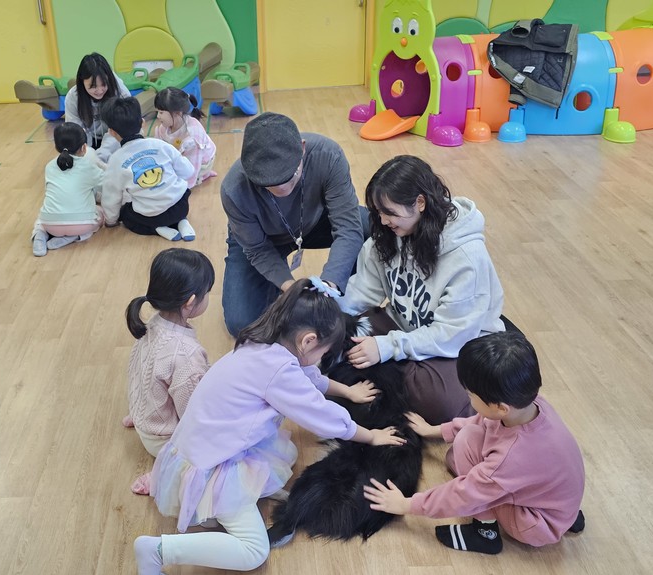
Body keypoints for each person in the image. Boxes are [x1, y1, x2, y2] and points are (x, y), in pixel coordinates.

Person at [133, 278, 405, 574]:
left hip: (200, 443)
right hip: (212, 462)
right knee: (254, 551)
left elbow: (309, 377)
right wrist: (370, 436)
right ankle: (158, 550)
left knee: (284, 453)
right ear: (308, 341)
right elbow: (322, 414)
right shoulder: (279, 371)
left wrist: (348, 391)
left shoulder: (264, 342)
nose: (322, 359)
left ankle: (215, 509)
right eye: (324, 352)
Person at [363, 331, 586, 555]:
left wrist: (406, 504)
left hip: (533, 524)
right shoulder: (532, 404)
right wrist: (433, 430)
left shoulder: (511, 458)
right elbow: (483, 420)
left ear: (501, 407)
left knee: (467, 455)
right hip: (558, 500)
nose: (468, 398)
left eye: (470, 395)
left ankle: (485, 533)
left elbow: (464, 494)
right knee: (467, 441)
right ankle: (565, 516)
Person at [338, 155, 505, 424]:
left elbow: (452, 335)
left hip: (458, 344)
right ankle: (397, 375)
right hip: (403, 328)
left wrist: (387, 347)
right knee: (346, 334)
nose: (383, 221)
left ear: (420, 203)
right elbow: (360, 295)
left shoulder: (467, 258)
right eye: (378, 212)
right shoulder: (388, 236)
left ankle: (393, 376)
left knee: (440, 403)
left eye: (390, 213)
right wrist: (328, 320)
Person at [220, 112, 369, 337]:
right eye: (268, 183)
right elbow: (257, 249)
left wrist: (330, 284)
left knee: (373, 225)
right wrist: (289, 288)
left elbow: (348, 227)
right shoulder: (234, 189)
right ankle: (274, 289)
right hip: (263, 237)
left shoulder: (328, 155)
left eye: (289, 176)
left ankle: (348, 290)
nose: (281, 189)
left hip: (315, 221)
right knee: (241, 322)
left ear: (302, 149)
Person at [124, 248, 214, 459]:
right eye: (208, 292)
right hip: (165, 442)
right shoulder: (185, 354)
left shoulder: (154, 323)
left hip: (145, 421)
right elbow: (193, 416)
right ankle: (164, 472)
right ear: (190, 302)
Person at [100, 97, 195, 241]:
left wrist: (111, 221)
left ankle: (157, 229)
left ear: (112, 132)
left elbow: (111, 197)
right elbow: (188, 171)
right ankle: (182, 221)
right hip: (181, 205)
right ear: (142, 123)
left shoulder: (115, 160)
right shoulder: (160, 144)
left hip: (152, 216)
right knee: (176, 200)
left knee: (126, 215)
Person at [152, 87, 218, 241]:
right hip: (180, 158)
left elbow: (191, 170)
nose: (158, 116)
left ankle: (205, 175)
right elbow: (159, 152)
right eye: (157, 112)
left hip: (200, 163)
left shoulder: (192, 136)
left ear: (177, 113)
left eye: (161, 112)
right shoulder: (163, 128)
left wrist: (178, 187)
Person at [32, 123, 105, 257]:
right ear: (84, 147)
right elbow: (106, 185)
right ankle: (73, 237)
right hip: (81, 225)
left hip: (50, 225)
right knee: (100, 214)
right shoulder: (88, 166)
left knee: (41, 216)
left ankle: (39, 235)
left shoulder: (49, 166)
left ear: (56, 146)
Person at [64, 52, 131, 163]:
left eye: (104, 85)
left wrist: (102, 154)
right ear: (82, 81)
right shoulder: (73, 97)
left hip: (116, 137)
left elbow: (124, 127)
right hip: (88, 142)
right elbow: (75, 132)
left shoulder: (119, 92)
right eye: (93, 86)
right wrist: (88, 154)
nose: (99, 91)